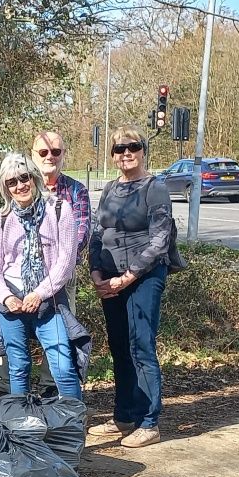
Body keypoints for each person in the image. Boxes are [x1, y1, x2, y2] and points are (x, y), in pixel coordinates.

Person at [88, 128, 174, 448]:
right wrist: (96, 272)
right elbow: (97, 234)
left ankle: (149, 421)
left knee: (141, 346)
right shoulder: (110, 188)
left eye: (133, 147)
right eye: (119, 148)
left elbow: (160, 239)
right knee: (119, 348)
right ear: (112, 155)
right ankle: (124, 415)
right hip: (110, 279)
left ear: (142, 150)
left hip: (144, 277)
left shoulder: (155, 188)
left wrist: (129, 276)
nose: (126, 152)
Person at [0, 152, 82, 399]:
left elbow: (65, 262)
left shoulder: (59, 209)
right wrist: (6, 298)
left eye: (24, 177)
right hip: (11, 301)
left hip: (48, 300)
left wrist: (39, 294)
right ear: (5, 188)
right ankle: (22, 427)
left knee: (62, 365)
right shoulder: (1, 218)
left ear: (34, 177)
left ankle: (71, 428)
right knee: (18, 367)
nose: (20, 186)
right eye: (12, 182)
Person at [31, 130, 92, 277]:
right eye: (43, 152)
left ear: (63, 154)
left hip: (65, 271)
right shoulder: (24, 189)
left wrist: (61, 260)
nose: (50, 157)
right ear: (33, 154)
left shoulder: (78, 190)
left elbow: (81, 231)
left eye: (56, 152)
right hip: (29, 268)